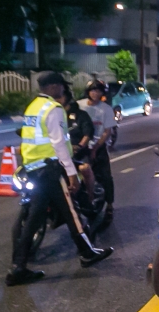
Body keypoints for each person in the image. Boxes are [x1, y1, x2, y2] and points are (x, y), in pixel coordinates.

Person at [10, 72, 111, 286]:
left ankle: (18, 267)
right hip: (49, 169)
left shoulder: (33, 107)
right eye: (62, 86)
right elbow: (58, 143)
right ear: (54, 87)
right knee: (70, 212)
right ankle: (86, 253)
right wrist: (71, 173)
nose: (64, 90)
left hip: (34, 168)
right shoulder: (53, 109)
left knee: (34, 218)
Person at [83, 80, 118, 224]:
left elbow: (107, 131)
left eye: (98, 91)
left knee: (106, 177)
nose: (95, 93)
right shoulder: (80, 106)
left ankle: (109, 205)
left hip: (99, 147)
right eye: (93, 90)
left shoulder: (106, 109)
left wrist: (96, 148)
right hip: (82, 147)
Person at [64, 88, 98, 208]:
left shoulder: (81, 115)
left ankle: (90, 197)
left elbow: (87, 134)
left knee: (84, 168)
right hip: (60, 153)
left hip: (79, 153)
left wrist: (78, 146)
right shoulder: (55, 116)